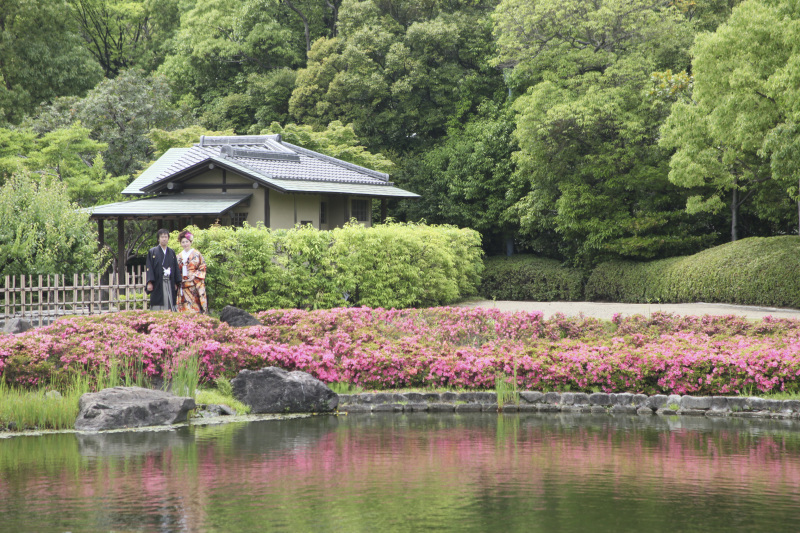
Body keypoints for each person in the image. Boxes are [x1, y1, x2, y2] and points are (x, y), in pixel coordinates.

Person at [145, 228, 180, 311]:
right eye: (162, 237)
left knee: (170, 299)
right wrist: (149, 282)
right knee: (158, 299)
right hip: (157, 281)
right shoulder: (152, 251)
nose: (164, 239)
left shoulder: (171, 252)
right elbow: (149, 267)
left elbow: (175, 267)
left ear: (168, 238)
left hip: (170, 280)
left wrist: (176, 282)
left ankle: (170, 314)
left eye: (165, 237)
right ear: (158, 239)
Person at [176, 229, 208, 313]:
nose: (185, 244)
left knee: (195, 304)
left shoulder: (196, 254)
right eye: (183, 242)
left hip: (194, 283)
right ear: (180, 243)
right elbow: (176, 269)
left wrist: (194, 275)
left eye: (187, 241)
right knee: (184, 305)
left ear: (190, 242)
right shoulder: (179, 256)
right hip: (183, 283)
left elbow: (203, 266)